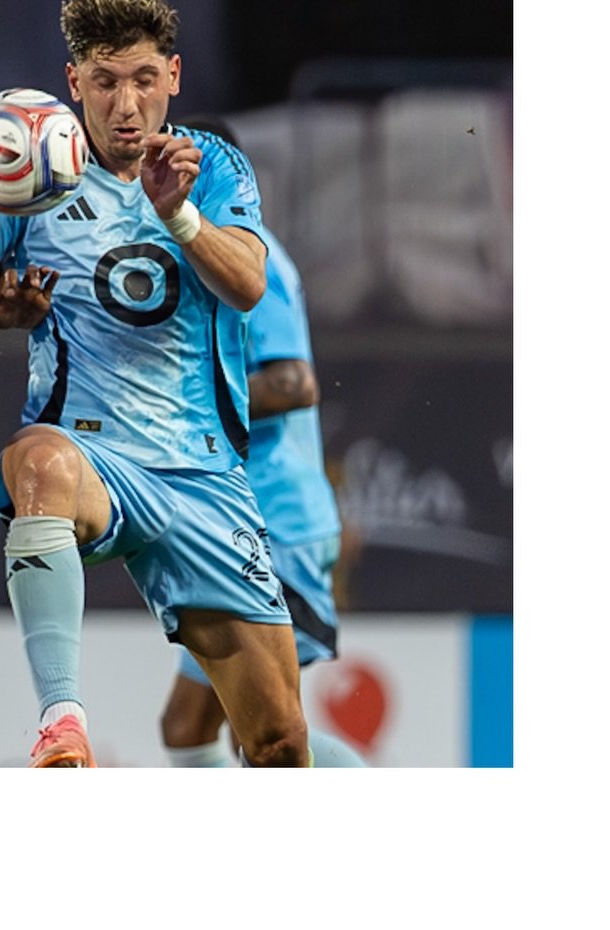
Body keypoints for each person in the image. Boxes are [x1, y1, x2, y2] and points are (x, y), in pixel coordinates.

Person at [0, 0, 311, 767]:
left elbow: (246, 285)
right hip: (95, 462)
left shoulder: (217, 168)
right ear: (74, 85)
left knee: (277, 741)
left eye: (141, 80)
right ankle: (62, 723)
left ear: (174, 76)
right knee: (36, 458)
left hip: (204, 476)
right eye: (104, 82)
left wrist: (178, 214)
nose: (125, 104)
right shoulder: (23, 171)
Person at [158, 117, 366, 767]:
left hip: (280, 522)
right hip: (243, 522)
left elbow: (295, 380)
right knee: (191, 728)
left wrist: (189, 400)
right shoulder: (199, 257)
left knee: (264, 736)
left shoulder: (256, 256)